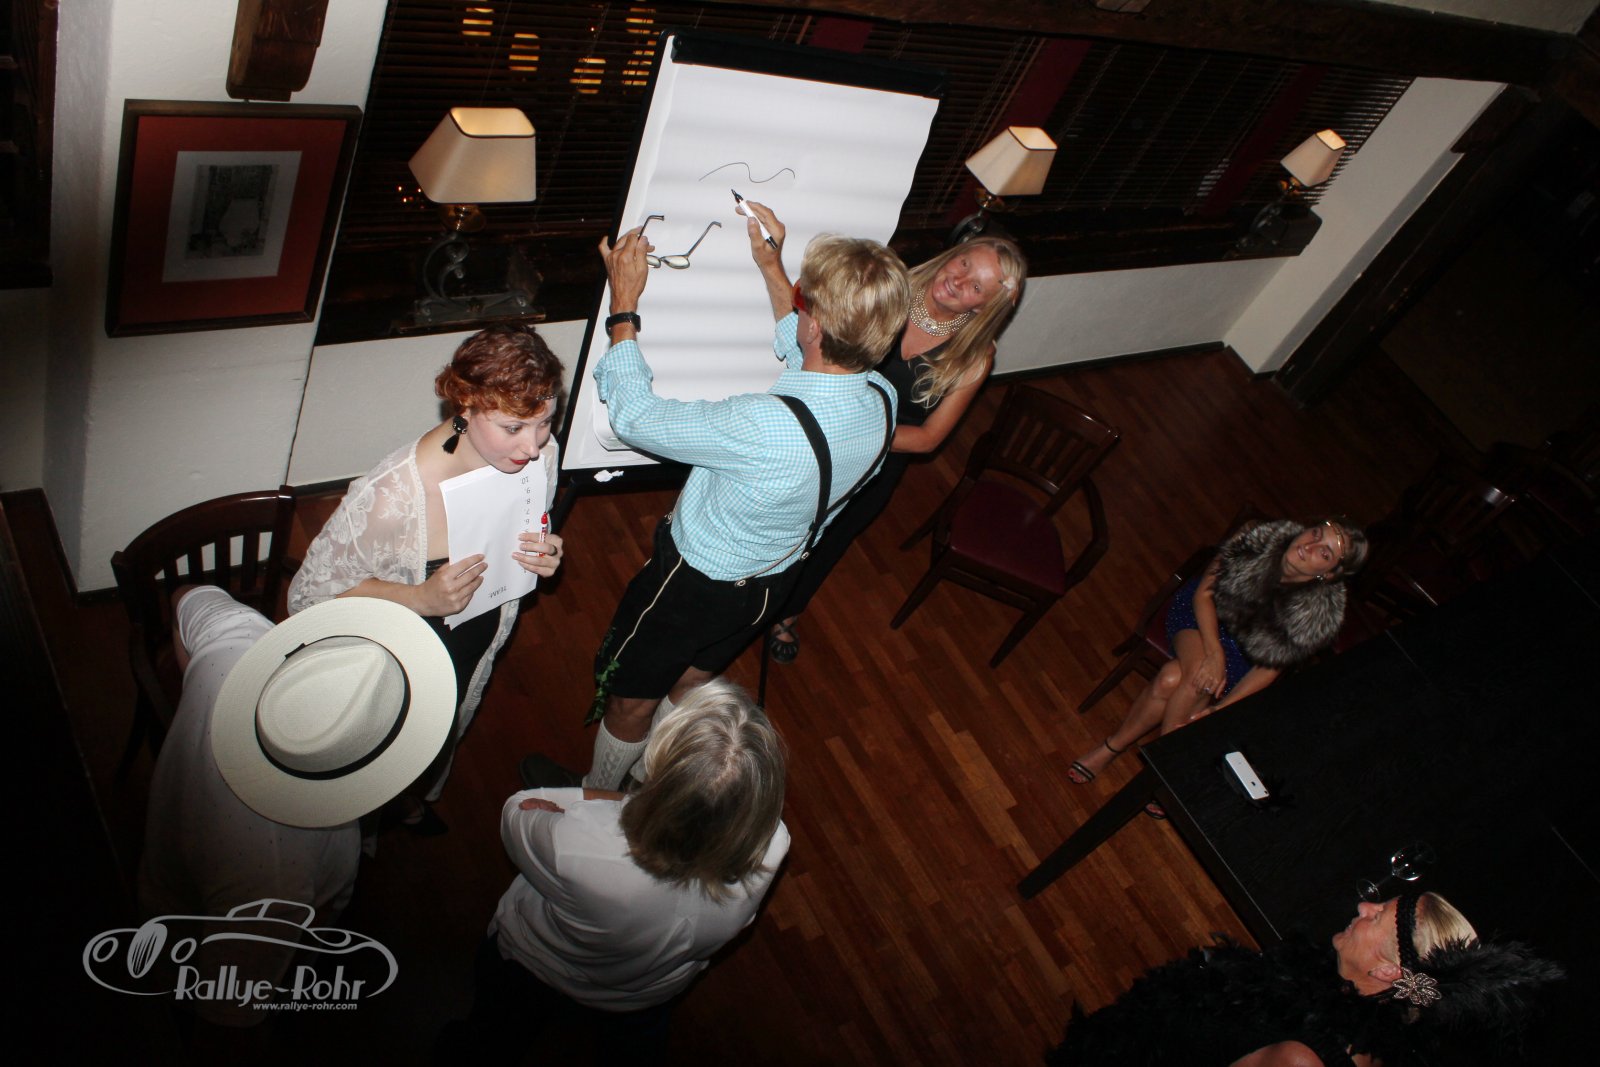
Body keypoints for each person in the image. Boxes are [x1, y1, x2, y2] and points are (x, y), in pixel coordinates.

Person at [537, 218, 906, 792]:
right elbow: (805, 352)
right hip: (773, 583)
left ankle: (599, 795)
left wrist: (623, 308)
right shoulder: (882, 398)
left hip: (690, 586)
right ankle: (652, 783)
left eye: (805, 301)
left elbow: (635, 417)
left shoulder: (763, 426)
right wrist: (771, 267)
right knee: (689, 682)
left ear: (817, 324)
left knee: (630, 701)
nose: (799, 311)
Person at [137, 586, 456, 1033]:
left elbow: (183, 596)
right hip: (186, 939)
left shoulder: (239, 640)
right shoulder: (274, 885)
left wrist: (197, 681)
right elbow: (226, 1021)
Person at [288, 325, 566, 828]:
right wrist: (419, 598)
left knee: (441, 726)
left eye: (544, 422)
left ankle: (409, 796)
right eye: (512, 428)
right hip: (393, 655)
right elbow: (308, 599)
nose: (533, 446)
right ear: (467, 405)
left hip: (475, 638)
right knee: (377, 742)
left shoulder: (541, 454)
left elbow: (534, 518)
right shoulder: (391, 498)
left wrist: (545, 548)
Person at [735, 202, 1028, 664]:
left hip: (879, 456)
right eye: (964, 264)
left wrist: (857, 435)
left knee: (829, 540)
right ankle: (743, 589)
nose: (958, 280)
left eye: (976, 286)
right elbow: (806, 323)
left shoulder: (976, 355)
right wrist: (772, 262)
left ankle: (788, 612)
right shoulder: (890, 287)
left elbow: (929, 438)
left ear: (984, 306)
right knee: (780, 519)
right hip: (820, 424)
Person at [450, 678, 789, 1061]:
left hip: (536, 968)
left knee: (490, 1042)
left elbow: (518, 811)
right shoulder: (773, 843)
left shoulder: (582, 843)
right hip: (649, 995)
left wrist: (622, 801)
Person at [1047, 890, 1564, 1065]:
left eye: (1377, 915)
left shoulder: (1304, 1060)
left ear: (1388, 970)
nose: (1363, 906)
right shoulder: (1326, 979)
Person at [1068, 517, 1368, 809]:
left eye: (1325, 553)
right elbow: (1205, 594)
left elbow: (1268, 669)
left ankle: (1113, 746)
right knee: (1200, 678)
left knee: (1171, 678)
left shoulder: (1314, 613)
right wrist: (1214, 654)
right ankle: (1168, 774)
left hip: (1243, 654)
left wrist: (1220, 710)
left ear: (1329, 575)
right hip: (1200, 615)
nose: (1310, 546)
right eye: (1315, 533)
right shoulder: (1255, 538)